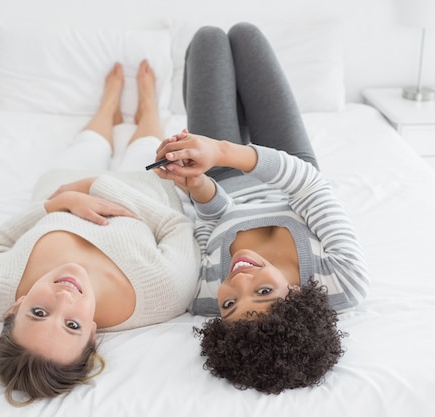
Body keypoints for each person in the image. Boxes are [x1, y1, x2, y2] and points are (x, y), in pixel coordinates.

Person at [152, 23, 370, 394]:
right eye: (265, 293)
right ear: (298, 297)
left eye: (231, 304)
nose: (239, 281)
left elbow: (211, 223)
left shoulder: (205, 299)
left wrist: (196, 184)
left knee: (208, 39)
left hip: (220, 177)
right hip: (288, 166)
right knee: (245, 35)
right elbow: (308, 185)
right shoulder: (343, 280)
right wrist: (220, 149)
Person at [0, 60, 200, 406]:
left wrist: (55, 204)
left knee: (90, 141)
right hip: (142, 186)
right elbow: (177, 226)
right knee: (146, 143)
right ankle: (147, 106)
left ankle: (108, 106)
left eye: (38, 313)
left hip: (58, 187)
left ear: (14, 308)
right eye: (72, 326)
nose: (64, 299)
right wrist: (97, 186)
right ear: (92, 334)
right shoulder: (164, 293)